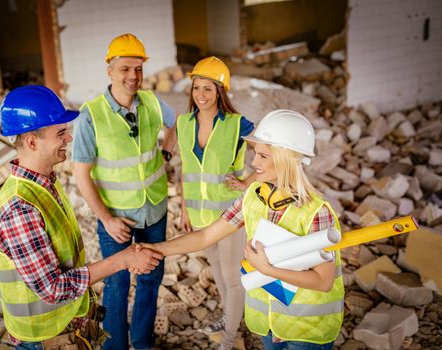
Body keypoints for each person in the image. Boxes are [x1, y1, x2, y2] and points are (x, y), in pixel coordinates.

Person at [143, 109, 344, 350]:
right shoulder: (253, 197)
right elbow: (207, 235)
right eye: (255, 154)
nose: (254, 162)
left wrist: (267, 269)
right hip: (269, 327)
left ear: (284, 158)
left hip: (307, 331)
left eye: (263, 156)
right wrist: (155, 249)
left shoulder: (316, 212)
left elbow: (323, 281)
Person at [0, 85, 163, 350]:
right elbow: (54, 289)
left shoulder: (44, 183)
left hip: (66, 327)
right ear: (33, 142)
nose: (69, 138)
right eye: (60, 133)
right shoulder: (19, 209)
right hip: (45, 338)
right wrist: (123, 259)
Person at [72, 33, 177, 350]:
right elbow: (81, 175)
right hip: (116, 218)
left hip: (155, 210)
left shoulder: (153, 103)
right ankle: (113, 346)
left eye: (138, 69)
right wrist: (106, 219)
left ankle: (143, 342)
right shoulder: (92, 114)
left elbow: (177, 124)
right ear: (110, 70)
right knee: (116, 283)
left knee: (150, 281)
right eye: (125, 69)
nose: (133, 76)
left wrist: (167, 153)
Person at [178, 56, 255, 349]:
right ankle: (229, 318)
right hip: (199, 217)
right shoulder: (185, 123)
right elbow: (184, 170)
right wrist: (184, 208)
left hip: (230, 215)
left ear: (221, 91)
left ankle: (230, 339)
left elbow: (270, 153)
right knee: (219, 273)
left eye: (208, 89)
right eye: (197, 88)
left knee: (233, 278)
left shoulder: (237, 124)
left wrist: (247, 182)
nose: (201, 95)